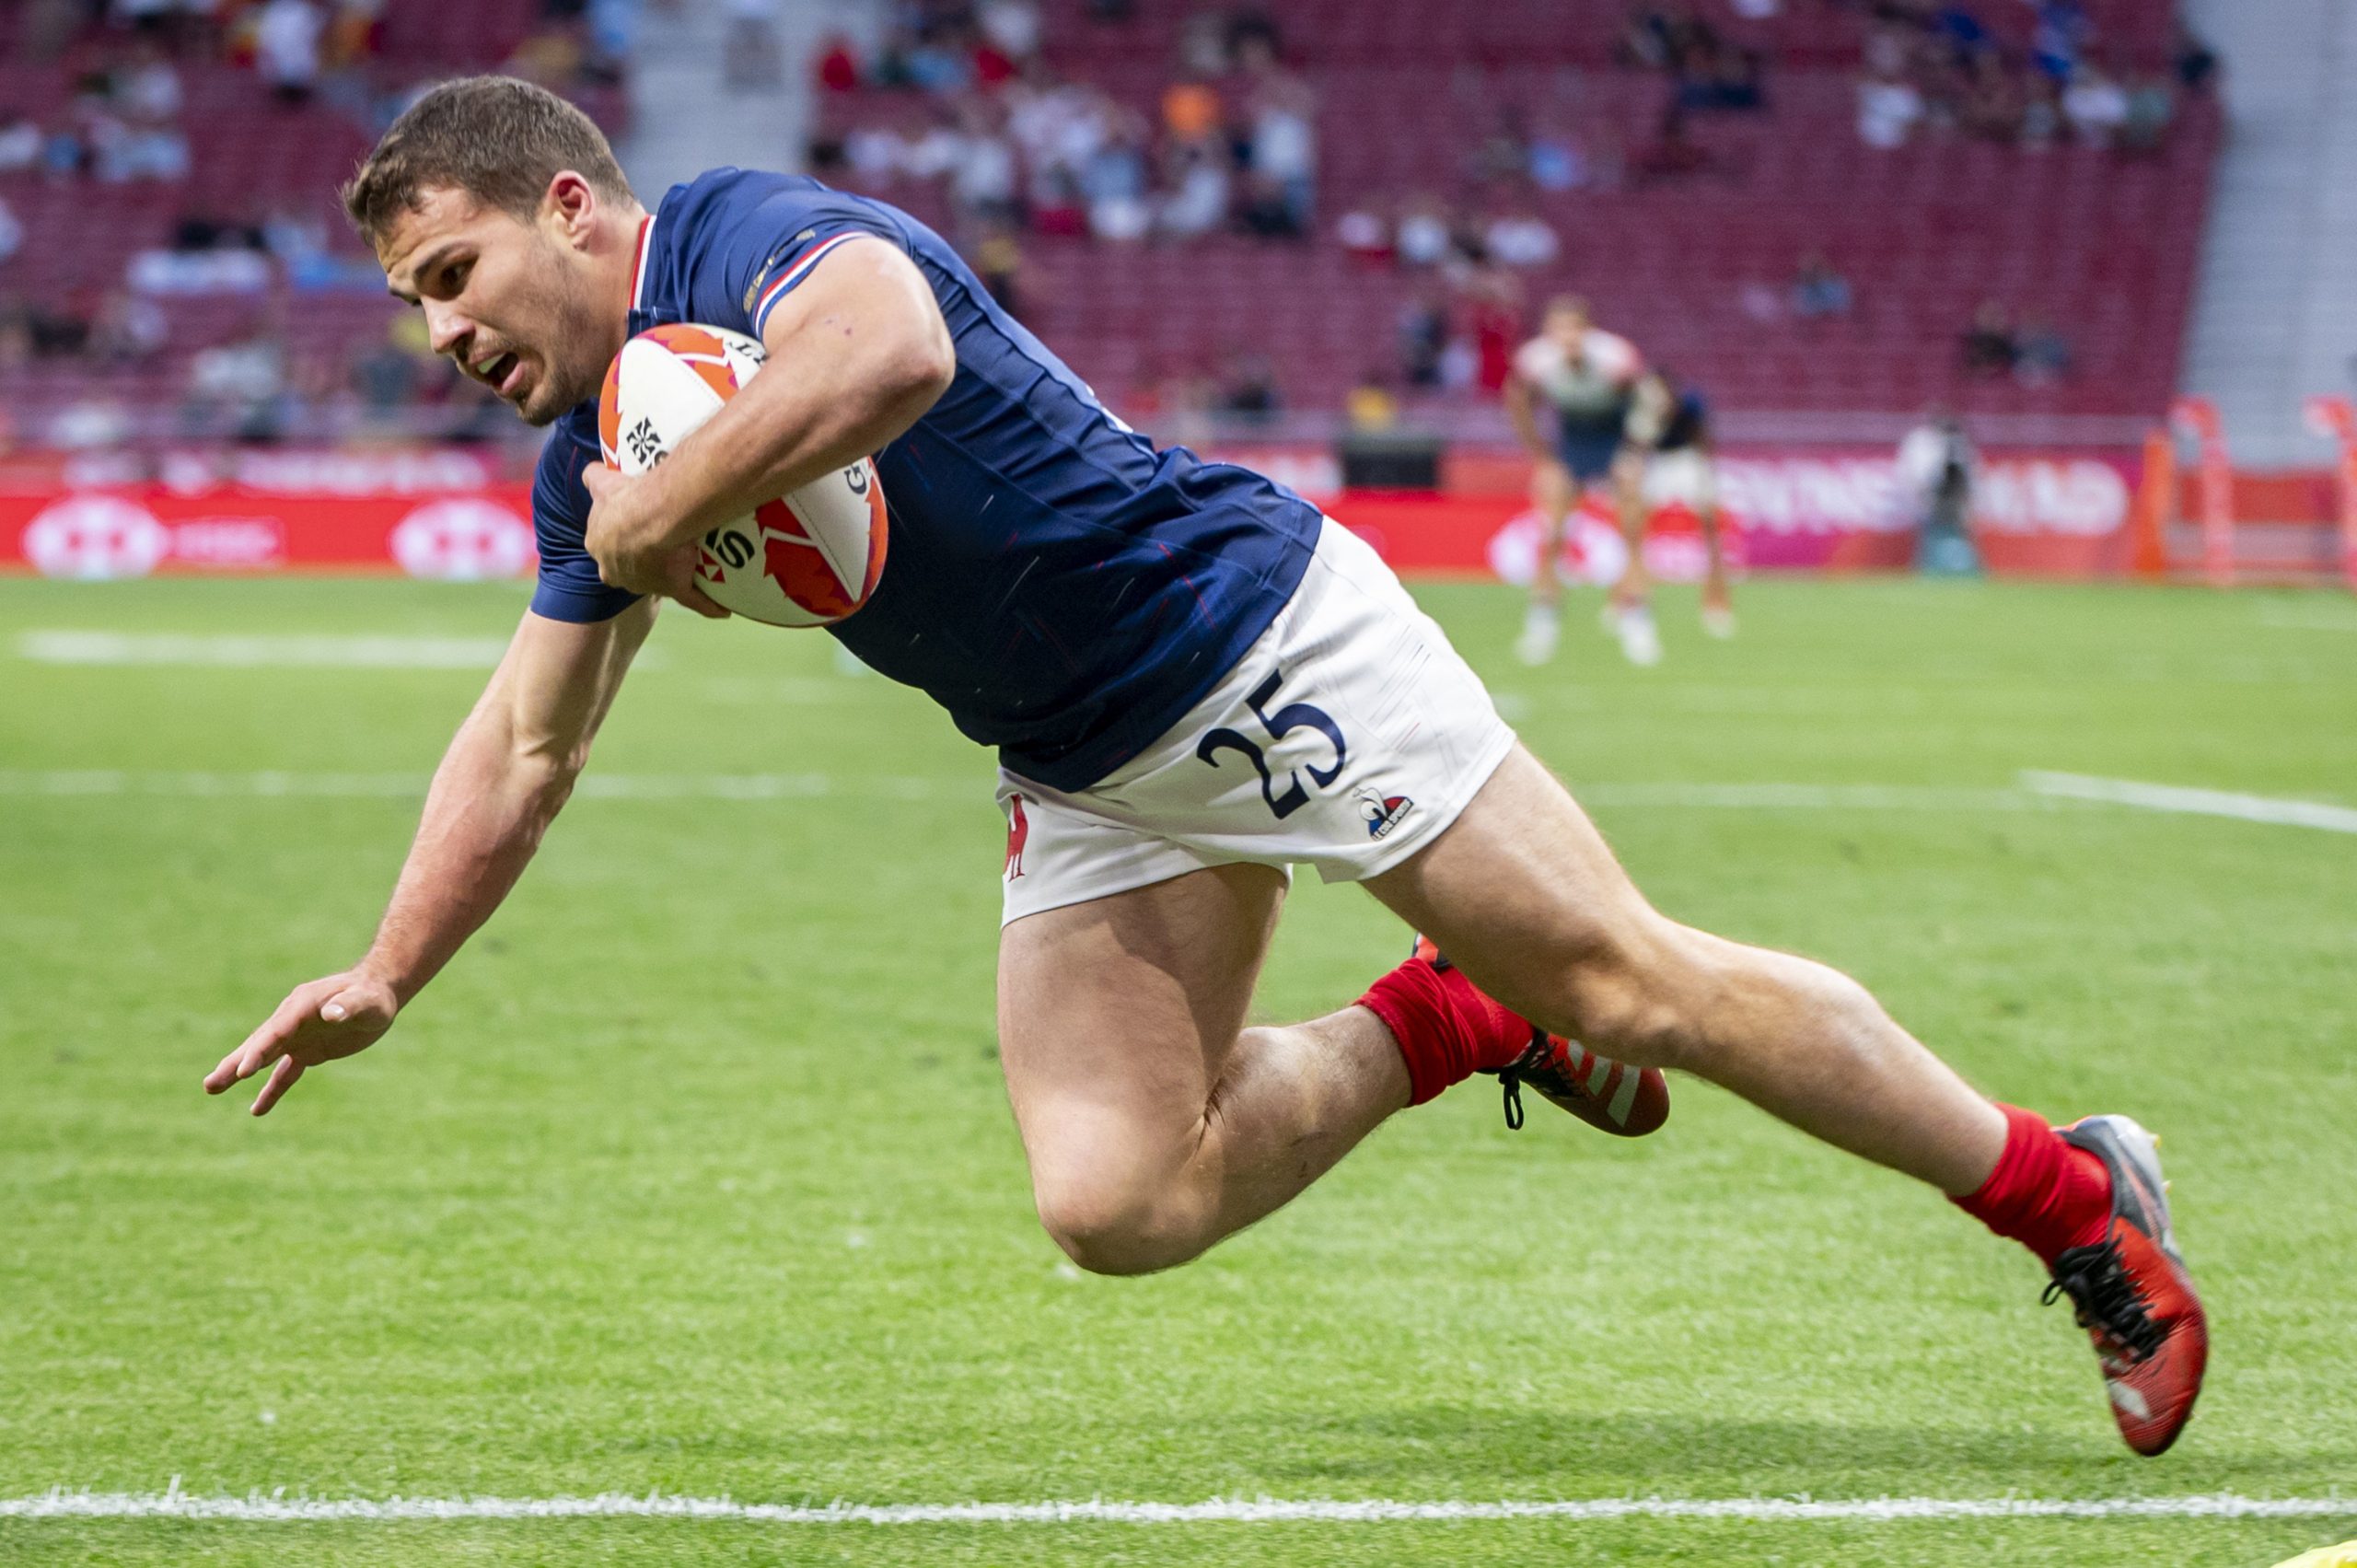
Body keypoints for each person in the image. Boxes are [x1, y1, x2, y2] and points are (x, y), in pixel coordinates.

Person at [206, 76, 2208, 1461]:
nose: (437, 331)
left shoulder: (736, 237)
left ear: (568, 208)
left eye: (451, 274)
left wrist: (667, 516)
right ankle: (1442, 1023)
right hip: (1086, 761)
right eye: (407, 306)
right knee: (1115, 1198)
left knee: (1627, 980)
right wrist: (391, 963)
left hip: (1253, 633)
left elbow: (889, 348)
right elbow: (524, 738)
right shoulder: (589, 473)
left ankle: (2068, 1197)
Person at [1502, 295, 1644, 666]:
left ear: (1587, 329)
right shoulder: (1537, 360)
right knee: (1552, 533)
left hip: (1613, 439)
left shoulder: (1615, 357)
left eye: (1573, 329)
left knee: (1630, 532)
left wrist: (1633, 452)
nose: (1566, 338)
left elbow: (1640, 405)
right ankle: (1543, 621)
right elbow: (1518, 401)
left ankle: (1634, 616)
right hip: (1572, 440)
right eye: (1558, 329)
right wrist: (1541, 454)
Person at [1620, 366, 1735, 643]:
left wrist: (1705, 470)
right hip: (1659, 465)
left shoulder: (1691, 403)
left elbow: (1702, 436)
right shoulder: (1642, 412)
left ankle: (1716, 602)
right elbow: (1638, 445)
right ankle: (1623, 599)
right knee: (1634, 529)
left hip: (1689, 461)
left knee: (1710, 530)